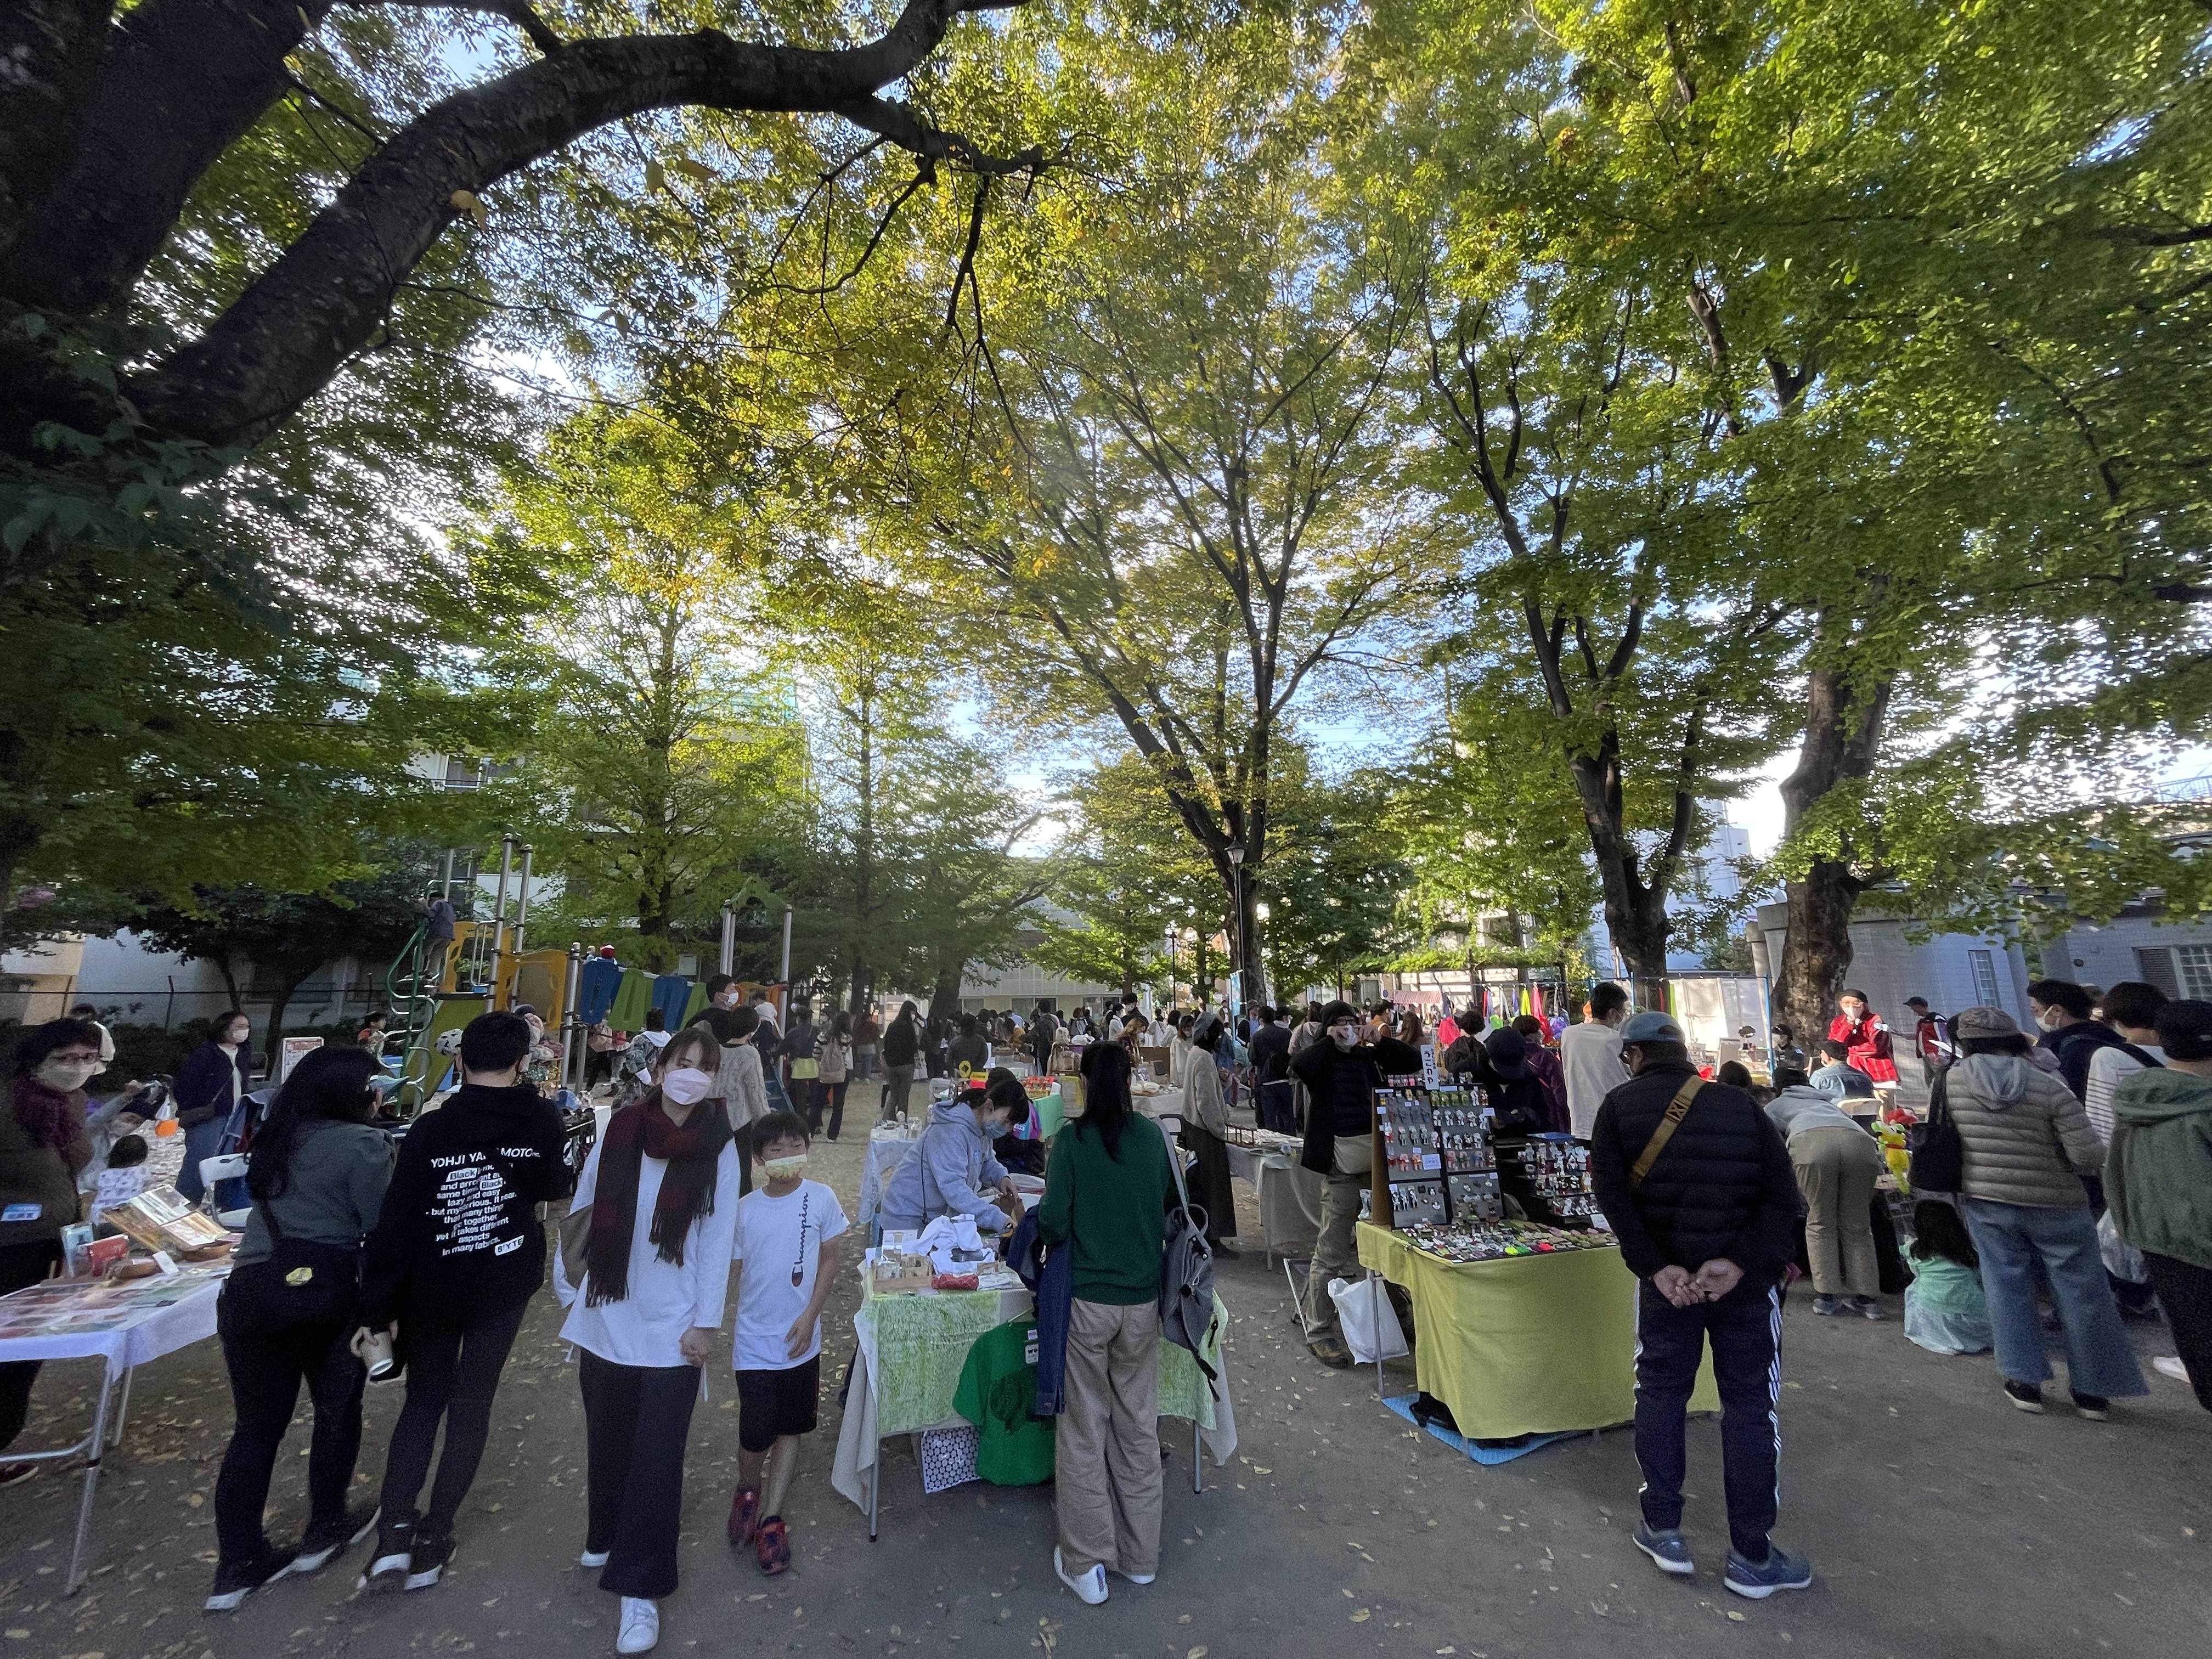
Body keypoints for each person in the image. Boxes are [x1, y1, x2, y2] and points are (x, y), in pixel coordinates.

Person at [1588, 1011, 1810, 1601]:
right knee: (1749, 1407)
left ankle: (1664, 1529)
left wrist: (1657, 1268)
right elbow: (1783, 1197)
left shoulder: (1617, 1109)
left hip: (1667, 1288)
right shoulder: (1741, 1106)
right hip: (1742, 1288)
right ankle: (1753, 1555)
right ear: (1684, 1054)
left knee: (1660, 1394)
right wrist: (1739, 1262)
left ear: (1633, 1055)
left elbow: (1611, 1195)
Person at [357, 1011, 567, 1592]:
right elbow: (551, 1187)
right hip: (504, 1279)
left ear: (460, 1060)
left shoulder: (429, 1130)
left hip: (433, 1283)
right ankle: (435, 1535)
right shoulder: (542, 1118)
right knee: (473, 1402)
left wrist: (377, 1308)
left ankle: (393, 1539)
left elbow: (395, 1222)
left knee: (423, 1402)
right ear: (524, 1062)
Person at [556, 1026, 741, 1656]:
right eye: (681, 1063)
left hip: (674, 1324)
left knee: (657, 1456)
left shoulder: (719, 1143)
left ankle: (641, 1588)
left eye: (703, 1067)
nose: (691, 1075)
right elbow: (585, 1206)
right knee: (607, 1434)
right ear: (659, 1068)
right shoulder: (621, 1125)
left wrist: (707, 1322)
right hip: (606, 1310)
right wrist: (569, 1287)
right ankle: (605, 1533)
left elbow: (718, 1241)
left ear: (714, 1078)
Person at [206, 1047, 394, 1610]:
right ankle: (326, 1526)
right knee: (336, 1411)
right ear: (356, 1095)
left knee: (255, 1430)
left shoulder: (275, 1136)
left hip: (250, 1292)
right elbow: (379, 1225)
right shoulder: (363, 1145)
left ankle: (237, 1564)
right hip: (327, 1295)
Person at [1944, 1005, 2145, 1417]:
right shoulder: (2048, 1085)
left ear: (1964, 1043)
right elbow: (2087, 1152)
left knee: (2005, 1288)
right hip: (2058, 1201)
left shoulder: (1950, 1083)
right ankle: (2094, 1390)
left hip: (1987, 1199)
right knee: (2083, 1293)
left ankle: (2023, 1380)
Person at [1040, 1041, 1176, 1606]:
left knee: (1083, 1430)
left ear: (1087, 1084)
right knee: (1138, 1426)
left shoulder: (1071, 1143)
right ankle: (1141, 1558)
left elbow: (1052, 1224)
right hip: (1143, 1305)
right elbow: (1170, 1207)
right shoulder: (1155, 1139)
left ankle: (1087, 1561)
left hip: (1088, 1304)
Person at [724, 1110, 847, 1573]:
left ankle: (772, 1516)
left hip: (803, 1340)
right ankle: (747, 1486)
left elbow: (830, 1259)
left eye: (796, 1146)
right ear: (759, 1159)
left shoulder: (822, 1199)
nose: (787, 1155)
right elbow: (729, 1271)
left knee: (792, 1426)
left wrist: (810, 1316)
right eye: (776, 1149)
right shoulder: (744, 1210)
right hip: (754, 1341)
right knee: (756, 1431)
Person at [0, 1019, 104, 1482]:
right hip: (9, 1244)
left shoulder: (72, 1103)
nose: (76, 1067)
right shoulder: (6, 1103)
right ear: (37, 1061)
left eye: (87, 1058)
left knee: (29, 1349)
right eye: (65, 1058)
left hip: (56, 1236)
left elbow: (73, 1162)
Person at [1290, 1001, 1420, 1369]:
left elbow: (1409, 1061)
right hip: (1341, 1163)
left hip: (1377, 1161)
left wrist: (1378, 1039)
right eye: (1339, 1023)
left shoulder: (1369, 1058)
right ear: (1328, 1027)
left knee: (1388, 1241)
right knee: (1333, 1246)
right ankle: (1318, 1330)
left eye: (1352, 1022)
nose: (1347, 1028)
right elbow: (1300, 1065)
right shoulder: (1322, 1059)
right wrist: (1330, 1041)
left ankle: (1398, 1315)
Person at [2106, 999, 2212, 1411]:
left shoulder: (2136, 1101)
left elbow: (2115, 1169)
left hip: (2159, 1240)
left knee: (2200, 1346)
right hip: (2200, 1242)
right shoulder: (2203, 1106)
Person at [1763, 1067, 1885, 1317]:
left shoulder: (1776, 1106)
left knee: (1821, 1221)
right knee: (1858, 1225)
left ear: (1779, 1086)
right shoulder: (1830, 1104)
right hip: (1860, 1145)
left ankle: (1827, 1296)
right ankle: (1868, 1298)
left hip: (1812, 1146)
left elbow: (1772, 1146)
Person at [877, 1080, 1022, 1238]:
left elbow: (986, 1160)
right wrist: (997, 1218)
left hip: (935, 1218)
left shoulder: (982, 1128)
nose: (1009, 1129)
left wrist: (1001, 1178)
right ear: (989, 1107)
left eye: (1012, 1124)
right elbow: (954, 1189)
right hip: (908, 1217)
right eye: (1006, 1121)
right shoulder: (950, 1131)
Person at [173, 1010, 252, 1204]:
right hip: (209, 1117)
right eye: (239, 1027)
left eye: (246, 1027)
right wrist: (198, 1106)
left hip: (238, 1117)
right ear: (224, 1029)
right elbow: (184, 1086)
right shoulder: (206, 1053)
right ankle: (185, 1206)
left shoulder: (243, 1053)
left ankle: (226, 1206)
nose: (244, 1031)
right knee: (199, 1163)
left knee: (232, 1163)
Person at [1179, 1014, 1239, 1257]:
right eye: (1217, 1034)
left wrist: (1222, 1082)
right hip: (1205, 1132)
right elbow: (1205, 1101)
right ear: (1207, 1035)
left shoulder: (1199, 1054)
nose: (1219, 1039)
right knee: (1213, 1189)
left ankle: (1205, 1237)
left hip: (1196, 1128)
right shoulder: (1202, 1057)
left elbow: (1208, 1093)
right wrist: (1220, 1129)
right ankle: (1211, 1239)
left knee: (1203, 1187)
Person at [1902, 1199, 1994, 1355]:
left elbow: (1914, 1269)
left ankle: (1930, 1334)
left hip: (1933, 1314)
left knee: (1915, 1286)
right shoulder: (1969, 1253)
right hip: (1972, 1314)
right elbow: (1982, 1279)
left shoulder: (1915, 1250)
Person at [2083, 980, 2166, 1144]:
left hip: (2140, 1151)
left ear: (2116, 1018)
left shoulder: (2109, 1057)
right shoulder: (2184, 1053)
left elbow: (2103, 1120)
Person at [2027, 978, 2129, 1102]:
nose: (2036, 1016)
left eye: (2036, 1011)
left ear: (2057, 1011)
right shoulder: (2112, 1037)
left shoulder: (2058, 1049)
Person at [1561, 982, 1630, 1141]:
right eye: (1623, 1011)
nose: (1624, 1016)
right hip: (1614, 1121)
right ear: (1613, 1013)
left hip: (1580, 1123)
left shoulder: (1569, 1035)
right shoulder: (1617, 1040)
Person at [1827, 990, 1899, 1116]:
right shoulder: (1838, 1022)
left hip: (1877, 1072)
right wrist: (1849, 1025)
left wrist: (1849, 1050)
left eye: (1856, 1003)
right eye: (1846, 1003)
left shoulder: (1876, 1020)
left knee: (1884, 1108)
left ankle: (1890, 1134)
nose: (1851, 1007)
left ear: (1864, 1005)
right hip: (1852, 1072)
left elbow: (1875, 1047)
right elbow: (1835, 1045)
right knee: (1857, 1108)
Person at [1511, 1014, 1568, 1131]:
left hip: (1520, 1112)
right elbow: (1558, 1087)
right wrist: (1564, 1113)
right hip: (1547, 1110)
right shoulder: (1545, 1056)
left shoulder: (1512, 1055)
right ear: (1534, 1034)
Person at [1246, 1006, 1294, 1134]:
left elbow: (1253, 1059)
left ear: (1261, 1020)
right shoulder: (1287, 1033)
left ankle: (1273, 1148)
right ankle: (1293, 1145)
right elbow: (1292, 1054)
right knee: (1288, 1116)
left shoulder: (1256, 1037)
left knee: (1270, 1119)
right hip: (1284, 1078)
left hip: (1266, 1080)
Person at [88, 1131, 151, 1218]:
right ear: (139, 1160)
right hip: (126, 1216)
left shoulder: (102, 1174)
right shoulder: (142, 1173)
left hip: (99, 1216)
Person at [882, 1001, 922, 1122]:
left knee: (894, 1094)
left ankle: (888, 1119)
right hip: (906, 1065)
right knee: (904, 1095)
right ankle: (901, 1120)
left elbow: (886, 1045)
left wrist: (889, 1060)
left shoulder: (892, 1026)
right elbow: (914, 1047)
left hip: (892, 1065)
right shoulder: (909, 1028)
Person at [1809, 1039, 1877, 1110]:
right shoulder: (1864, 1076)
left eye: (1822, 1053)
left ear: (1827, 1056)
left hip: (1834, 1117)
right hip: (1863, 1119)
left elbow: (1810, 1102)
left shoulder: (1820, 1076)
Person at [816, 1012, 853, 1142]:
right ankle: (832, 1135)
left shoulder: (823, 1036)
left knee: (818, 1103)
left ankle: (810, 1130)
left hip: (825, 1072)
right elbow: (846, 1054)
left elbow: (816, 1052)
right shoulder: (847, 1038)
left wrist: (823, 1061)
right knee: (838, 1105)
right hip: (841, 1073)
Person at [1905, 997, 1948, 1088]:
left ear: (1919, 1007)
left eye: (1913, 1008)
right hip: (1926, 1056)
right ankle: (1934, 1100)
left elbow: (1944, 1039)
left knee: (1940, 1082)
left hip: (1936, 1057)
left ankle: (1942, 1100)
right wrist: (1898, 1033)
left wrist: (1941, 1055)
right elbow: (1918, 1037)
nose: (1913, 1010)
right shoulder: (1922, 1022)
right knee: (1930, 1082)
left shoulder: (1936, 1019)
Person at [423, 891, 457, 990]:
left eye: (430, 901)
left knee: (420, 951)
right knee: (436, 955)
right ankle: (431, 973)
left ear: (434, 899)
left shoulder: (438, 903)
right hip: (448, 935)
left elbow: (431, 914)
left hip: (437, 932)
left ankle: (416, 971)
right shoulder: (450, 907)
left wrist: (424, 905)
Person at [67, 1001, 116, 1065]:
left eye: (77, 1014)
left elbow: (107, 1049)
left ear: (89, 1014)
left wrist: (103, 1063)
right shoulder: (75, 1028)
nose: (74, 1017)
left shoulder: (100, 1029)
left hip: (92, 1064)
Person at [947, 1012, 991, 1077]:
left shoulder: (955, 1041)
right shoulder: (980, 1040)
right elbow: (984, 1058)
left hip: (960, 1074)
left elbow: (948, 1060)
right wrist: (974, 1070)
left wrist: (954, 1071)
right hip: (977, 1075)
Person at [854, 1006, 881, 1083]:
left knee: (860, 1062)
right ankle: (867, 1077)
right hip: (870, 1046)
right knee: (868, 1062)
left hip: (860, 1046)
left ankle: (857, 1076)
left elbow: (856, 1035)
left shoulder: (859, 1026)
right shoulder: (873, 1026)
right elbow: (876, 1035)